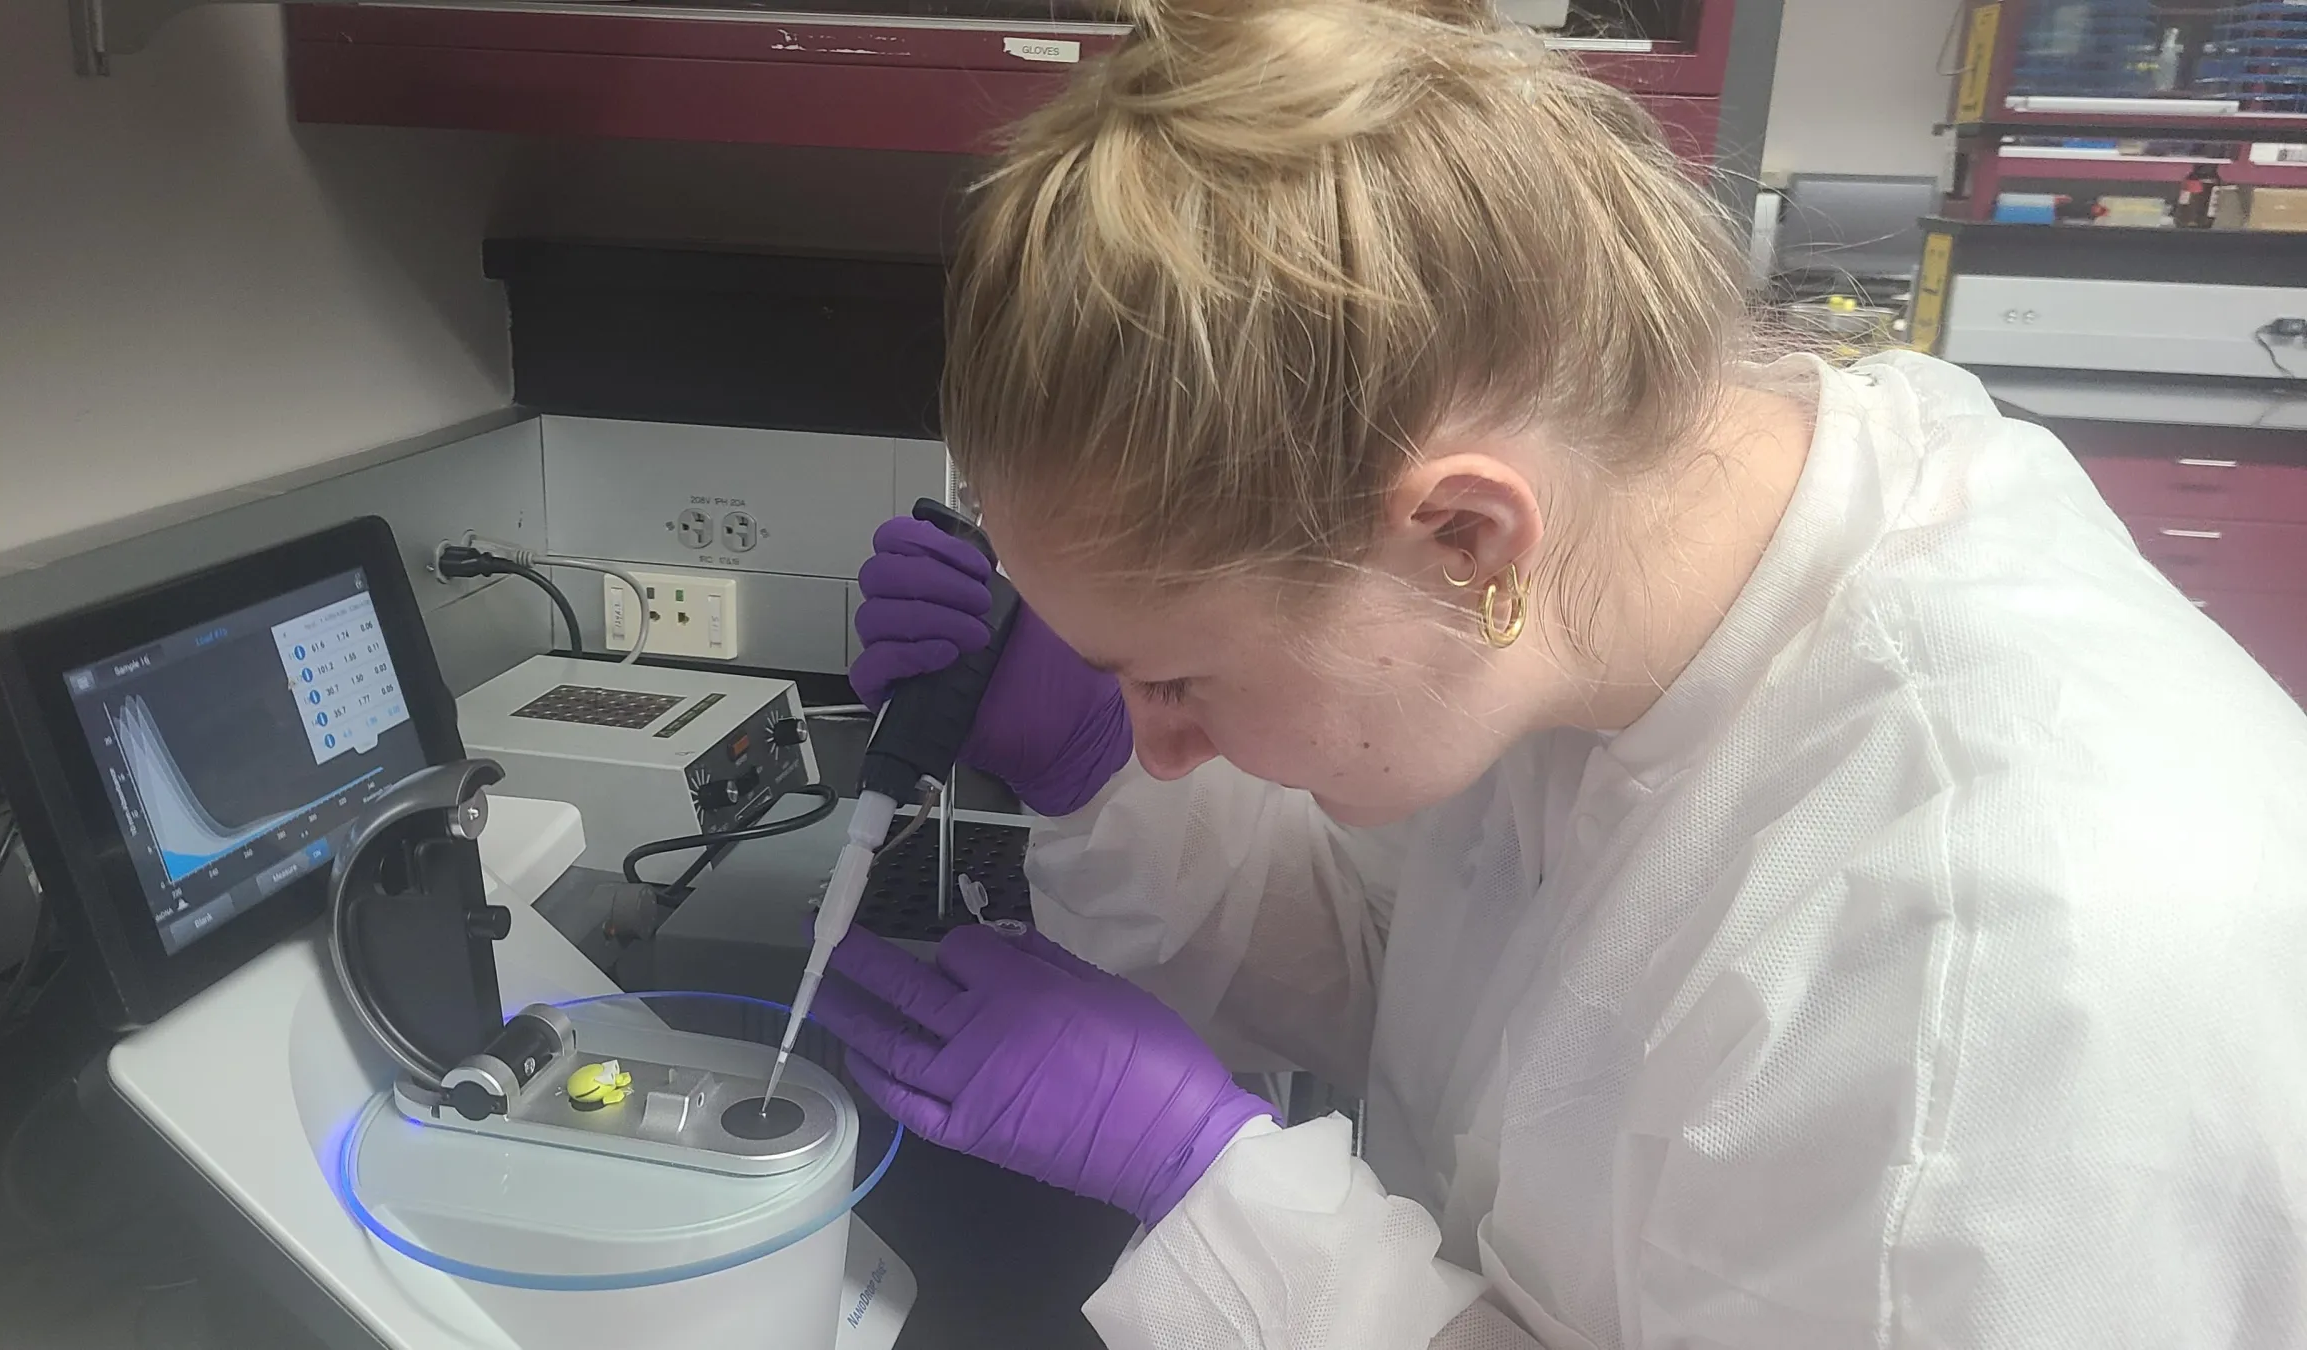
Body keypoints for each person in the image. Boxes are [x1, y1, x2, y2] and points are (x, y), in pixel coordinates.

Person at [810, 0, 2307, 1343]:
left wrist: (1231, 1208)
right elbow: (1449, 992)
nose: (1167, 736)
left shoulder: (1984, 985)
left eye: (1182, 682)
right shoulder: (1633, 556)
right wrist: (1100, 775)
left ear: (1464, 534)